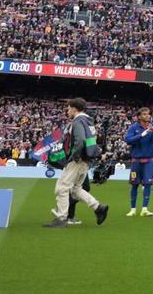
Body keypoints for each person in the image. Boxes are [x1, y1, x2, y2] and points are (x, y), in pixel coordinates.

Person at [43, 98, 109, 228]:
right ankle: (98, 208)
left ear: (74, 108)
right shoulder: (88, 122)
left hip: (77, 160)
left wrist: (74, 157)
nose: (67, 111)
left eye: (68, 109)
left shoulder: (78, 121)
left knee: (62, 188)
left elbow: (79, 141)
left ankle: (61, 218)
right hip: (86, 160)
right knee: (75, 189)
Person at [123, 106, 153, 217]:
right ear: (139, 116)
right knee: (134, 184)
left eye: (148, 114)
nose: (147, 116)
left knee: (148, 184)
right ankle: (133, 209)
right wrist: (141, 135)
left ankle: (145, 209)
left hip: (149, 160)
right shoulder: (133, 127)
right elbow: (128, 140)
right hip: (136, 161)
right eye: (144, 114)